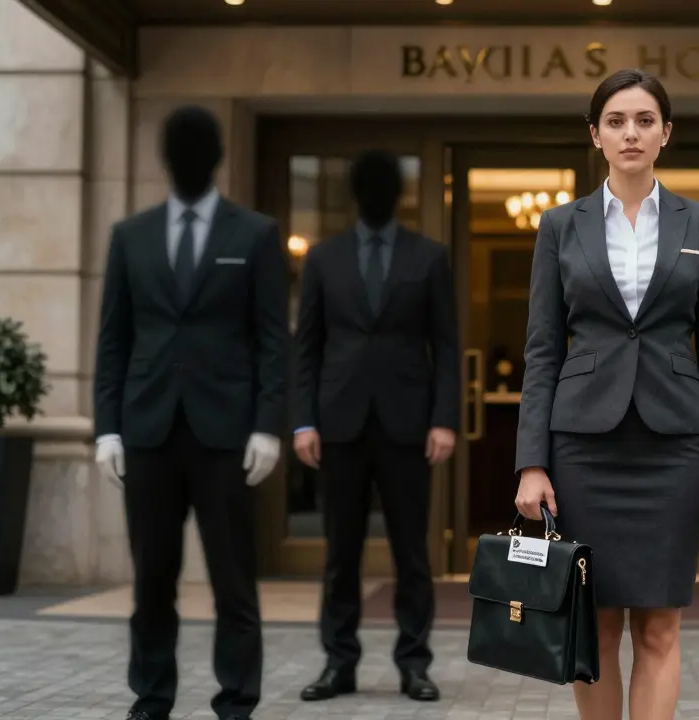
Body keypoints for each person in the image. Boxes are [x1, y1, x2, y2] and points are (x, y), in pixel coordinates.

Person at [513, 68, 699, 720]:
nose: (631, 133)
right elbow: (542, 351)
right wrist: (532, 462)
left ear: (666, 133)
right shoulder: (560, 225)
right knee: (594, 625)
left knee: (659, 627)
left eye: (644, 120)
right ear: (596, 135)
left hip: (674, 448)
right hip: (582, 449)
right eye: (616, 121)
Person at [92, 105, 288, 720]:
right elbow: (113, 341)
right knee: (152, 579)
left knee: (234, 581)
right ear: (167, 161)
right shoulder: (131, 236)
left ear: (216, 159)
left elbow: (272, 340)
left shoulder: (254, 233)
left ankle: (237, 701)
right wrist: (106, 430)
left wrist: (267, 426)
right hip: (147, 431)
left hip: (226, 434)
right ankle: (151, 698)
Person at [292, 149, 458, 703]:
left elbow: (447, 346)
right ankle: (338, 664)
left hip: (409, 426)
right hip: (338, 425)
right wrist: (302, 421)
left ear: (397, 196)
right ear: (358, 196)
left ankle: (415, 665)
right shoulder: (324, 258)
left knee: (412, 553)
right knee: (340, 555)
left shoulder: (429, 257)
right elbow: (306, 347)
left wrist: (444, 420)